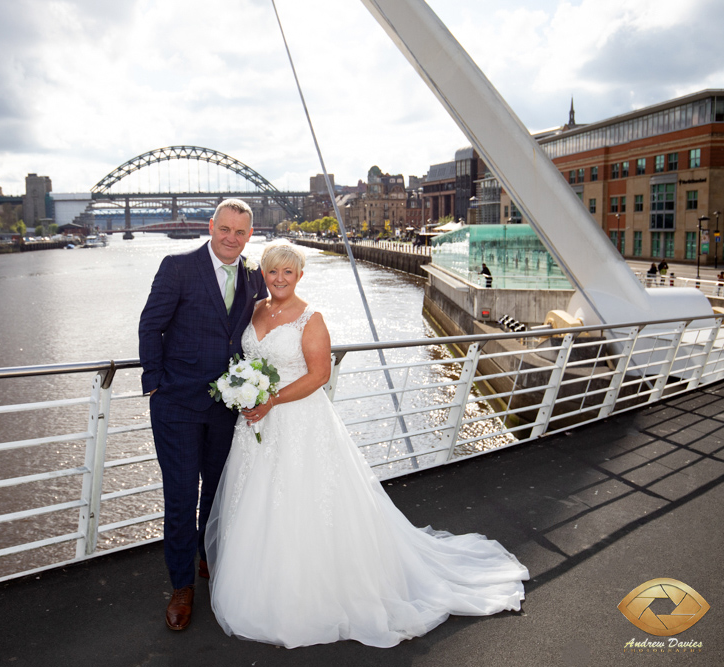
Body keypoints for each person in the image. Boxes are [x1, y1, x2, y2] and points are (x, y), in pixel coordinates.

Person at [205, 241, 528, 649]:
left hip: (298, 420)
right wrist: (246, 391)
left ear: (300, 275)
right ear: (263, 274)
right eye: (272, 272)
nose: (279, 279)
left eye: (288, 272)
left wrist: (271, 399)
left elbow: (319, 375)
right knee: (256, 498)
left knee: (304, 498)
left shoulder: (311, 318)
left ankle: (311, 589)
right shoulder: (253, 310)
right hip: (255, 426)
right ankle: (259, 577)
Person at [138, 198, 267, 631]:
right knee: (180, 499)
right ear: (211, 227)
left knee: (217, 491)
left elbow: (256, 331)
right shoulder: (177, 267)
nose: (231, 238)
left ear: (250, 235)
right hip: (176, 404)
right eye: (225, 229)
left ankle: (209, 557)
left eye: (241, 232)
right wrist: (155, 380)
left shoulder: (253, 275)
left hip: (226, 407)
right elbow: (150, 325)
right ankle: (181, 585)